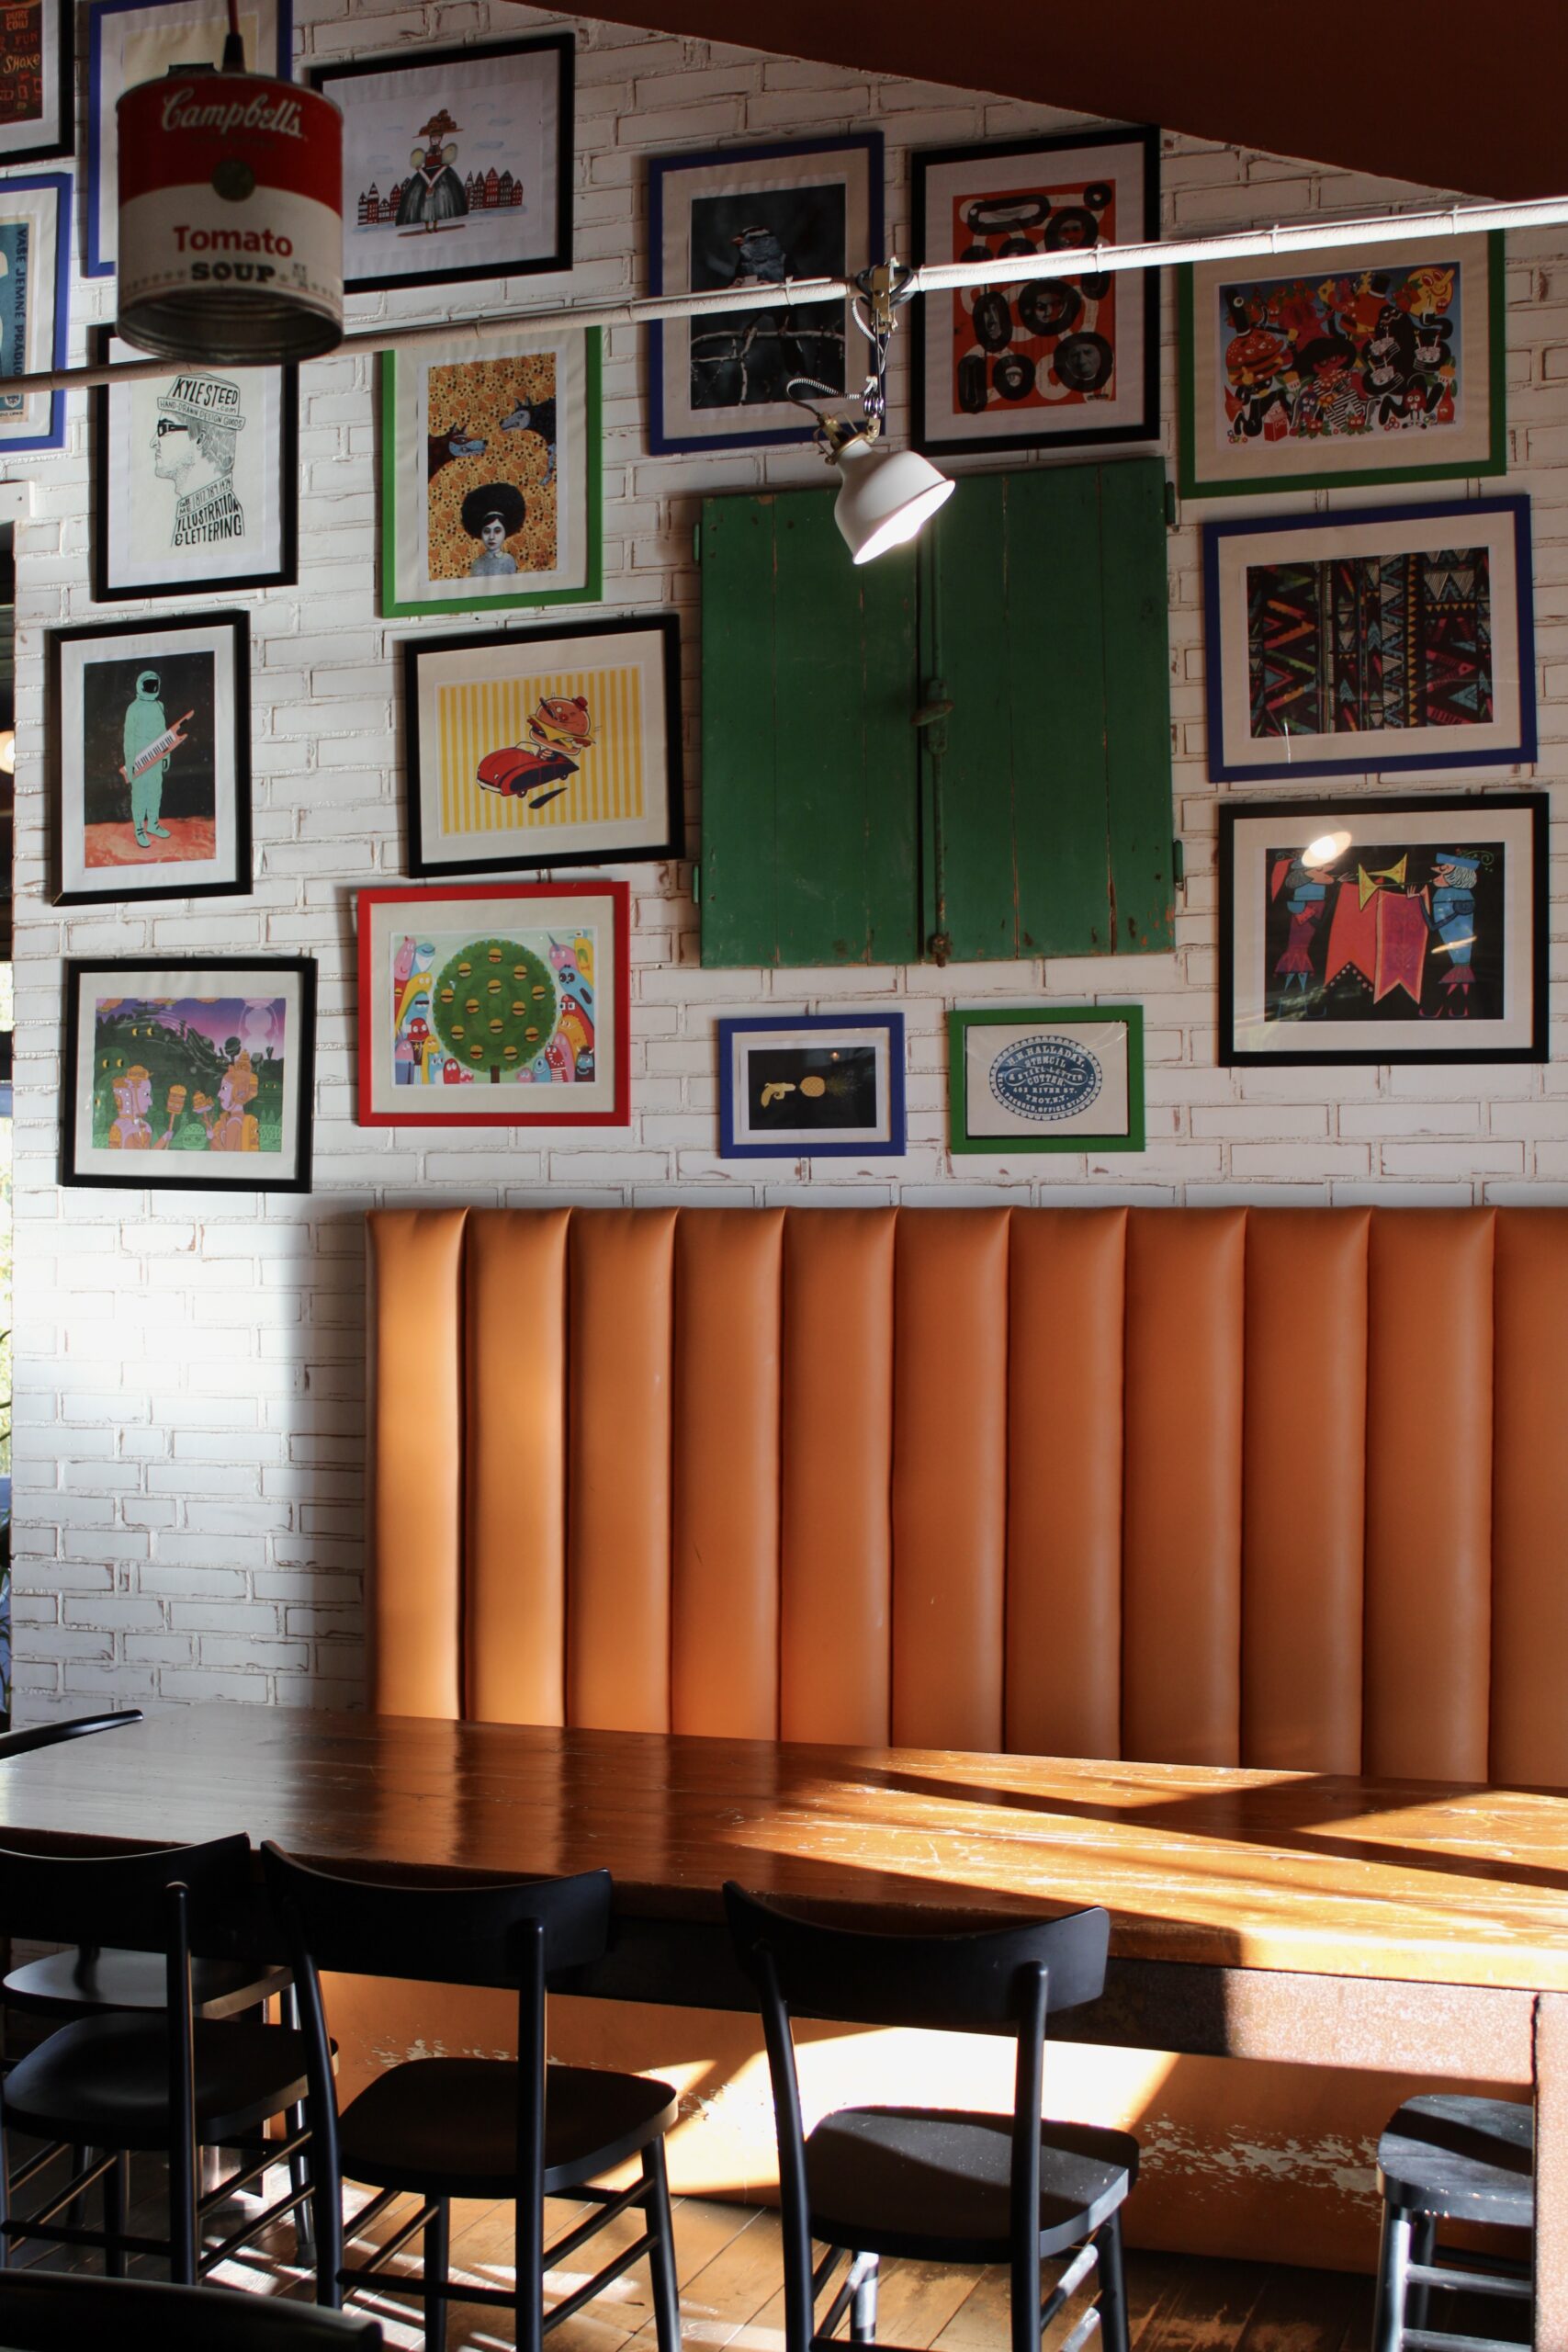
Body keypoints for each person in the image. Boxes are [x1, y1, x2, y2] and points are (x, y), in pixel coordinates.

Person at [152, 373, 245, 548]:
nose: (153, 442)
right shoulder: (190, 517)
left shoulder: (221, 522)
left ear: (200, 439)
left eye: (164, 428)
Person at [121, 670, 181, 848]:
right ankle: (139, 829)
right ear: (141, 686)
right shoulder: (133, 709)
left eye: (154, 685)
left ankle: (153, 824)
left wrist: (166, 755)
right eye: (148, 685)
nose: (152, 688)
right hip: (139, 758)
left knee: (155, 792)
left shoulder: (159, 706)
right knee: (140, 794)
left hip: (156, 756)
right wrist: (130, 763)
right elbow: (128, 738)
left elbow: (163, 733)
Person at [397, 109, 468, 229]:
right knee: (421, 203)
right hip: (424, 177)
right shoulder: (424, 155)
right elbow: (419, 167)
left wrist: (432, 183)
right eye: (433, 138)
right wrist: (428, 183)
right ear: (430, 139)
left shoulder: (445, 153)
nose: (435, 141)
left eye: (438, 138)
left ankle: (435, 225)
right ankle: (426, 225)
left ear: (441, 139)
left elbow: (444, 167)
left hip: (442, 177)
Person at [460, 481, 525, 575]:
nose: (491, 537)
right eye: (487, 531)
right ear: (481, 533)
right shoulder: (476, 564)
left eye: (497, 531)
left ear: (505, 533)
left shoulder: (508, 560)